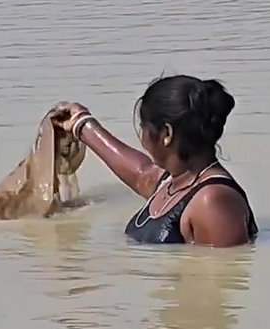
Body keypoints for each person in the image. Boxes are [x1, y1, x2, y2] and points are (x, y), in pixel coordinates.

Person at [53, 75, 258, 248]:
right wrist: (81, 123)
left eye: (143, 126)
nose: (141, 136)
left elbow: (222, 275)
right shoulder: (174, 182)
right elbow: (142, 174)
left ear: (166, 134)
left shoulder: (211, 201)